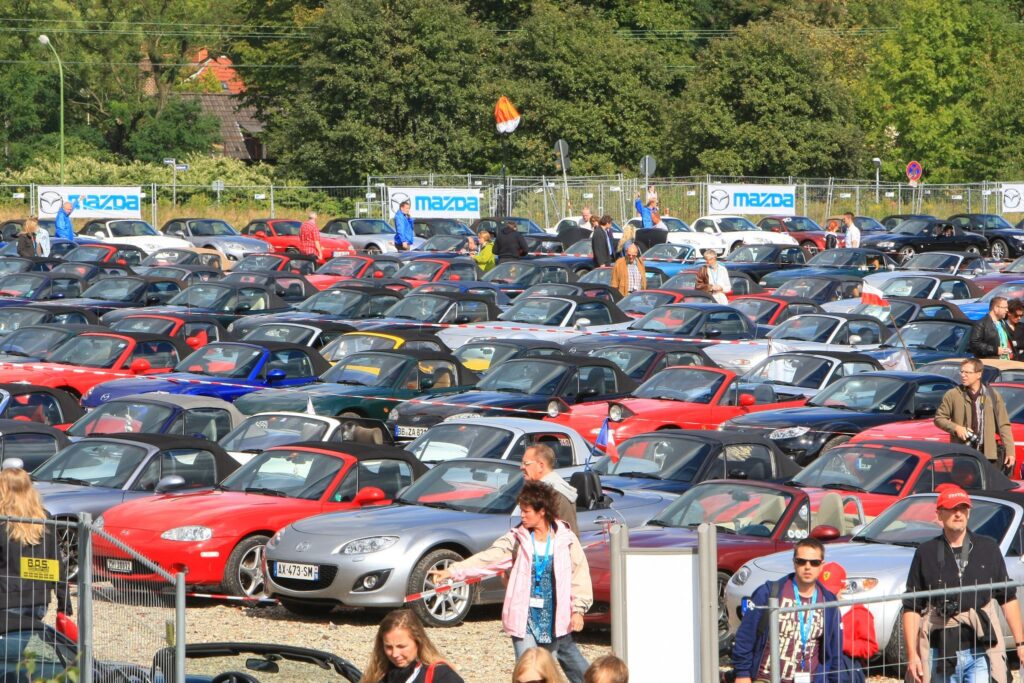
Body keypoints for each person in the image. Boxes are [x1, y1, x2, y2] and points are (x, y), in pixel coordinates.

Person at [432, 481, 592, 683]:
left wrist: (578, 610)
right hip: (523, 616)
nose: (521, 516)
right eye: (521, 511)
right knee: (525, 670)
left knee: (545, 671)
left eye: (526, 512)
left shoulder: (566, 539)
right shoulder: (517, 539)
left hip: (553, 618)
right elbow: (489, 558)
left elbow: (580, 575)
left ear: (542, 511)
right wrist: (452, 571)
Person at [903, 486, 1024, 683]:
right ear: (939, 514)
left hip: (980, 651)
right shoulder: (925, 552)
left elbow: (1007, 597)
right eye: (952, 508)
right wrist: (912, 656)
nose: (958, 513)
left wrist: (1020, 643)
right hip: (938, 651)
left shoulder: (988, 548)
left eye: (963, 508)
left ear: (968, 512)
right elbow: (911, 608)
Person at [731, 538, 843, 683]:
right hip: (766, 678)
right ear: (794, 563)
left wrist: (836, 679)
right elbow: (746, 636)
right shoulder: (769, 593)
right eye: (801, 561)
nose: (807, 567)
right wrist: (742, 673)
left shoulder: (828, 601)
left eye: (814, 562)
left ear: (821, 565)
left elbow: (835, 651)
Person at [0, 468, 72, 621]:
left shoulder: (2, 522)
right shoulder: (44, 518)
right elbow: (55, 561)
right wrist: (64, 601)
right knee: (24, 641)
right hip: (38, 600)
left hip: (6, 598)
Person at [934, 357, 1015, 473]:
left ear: (979, 374)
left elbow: (1003, 425)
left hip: (988, 455)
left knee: (988, 490)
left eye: (967, 372)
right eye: (961, 371)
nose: (963, 375)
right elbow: (939, 418)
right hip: (963, 455)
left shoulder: (992, 395)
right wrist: (956, 428)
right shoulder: (953, 395)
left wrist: (1010, 452)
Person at [359, 609, 463, 683]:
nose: (395, 654)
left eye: (401, 646)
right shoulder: (378, 674)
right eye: (389, 647)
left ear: (418, 642)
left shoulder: (442, 676)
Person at [820, 562, 877, 683]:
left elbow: (870, 647)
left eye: (832, 592)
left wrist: (841, 643)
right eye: (824, 592)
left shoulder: (858, 613)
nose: (828, 597)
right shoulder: (816, 608)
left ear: (843, 588)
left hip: (845, 668)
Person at [520, 444, 579, 536]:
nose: (522, 467)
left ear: (541, 466)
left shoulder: (546, 492)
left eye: (526, 463)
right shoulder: (561, 486)